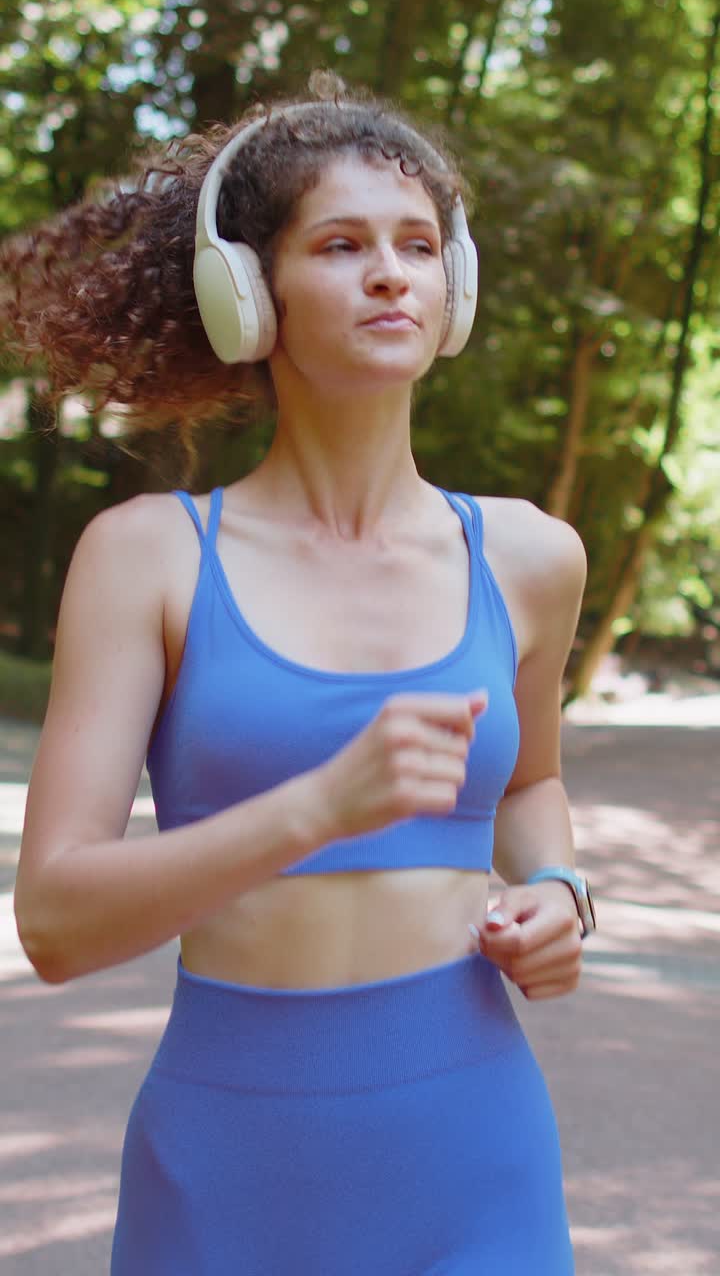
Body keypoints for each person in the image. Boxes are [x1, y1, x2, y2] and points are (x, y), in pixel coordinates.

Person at [8, 71, 594, 1274]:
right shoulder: (149, 557)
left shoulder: (532, 553)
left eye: (419, 244)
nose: (390, 272)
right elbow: (56, 921)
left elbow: (529, 783)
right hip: (225, 1170)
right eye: (341, 243)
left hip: (478, 1159)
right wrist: (320, 804)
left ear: (453, 288)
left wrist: (564, 891)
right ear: (248, 296)